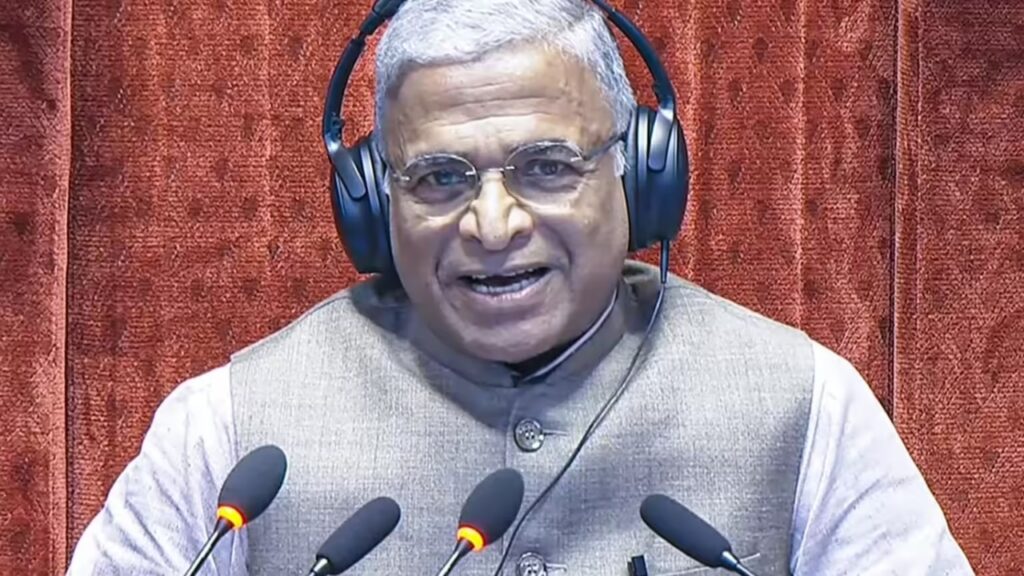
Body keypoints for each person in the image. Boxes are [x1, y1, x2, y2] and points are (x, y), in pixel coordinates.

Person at [68, 1, 973, 574]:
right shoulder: (229, 431)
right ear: (376, 202)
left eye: (547, 167)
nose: (493, 225)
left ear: (640, 175)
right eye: (440, 178)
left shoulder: (801, 404)